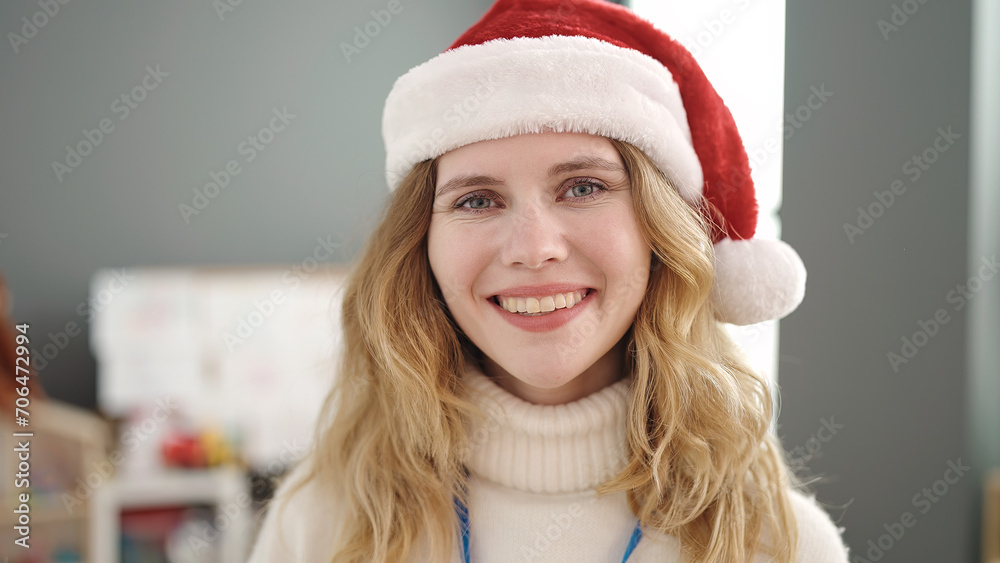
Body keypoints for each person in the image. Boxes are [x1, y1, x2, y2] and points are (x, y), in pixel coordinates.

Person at [248, 0, 850, 561]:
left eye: (583, 188)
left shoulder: (778, 540)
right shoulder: (319, 524)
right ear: (420, 244)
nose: (534, 250)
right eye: (478, 200)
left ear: (659, 231)